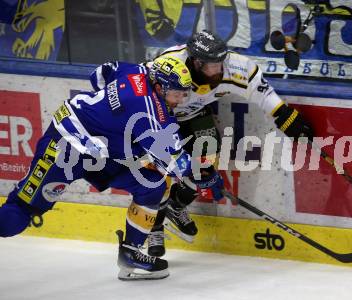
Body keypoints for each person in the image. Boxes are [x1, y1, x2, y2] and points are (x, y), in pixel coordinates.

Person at [90, 30, 314, 257]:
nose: (219, 69)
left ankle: (176, 206)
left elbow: (261, 92)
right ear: (196, 62)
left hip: (194, 115)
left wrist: (284, 116)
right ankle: (155, 227)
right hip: (158, 120)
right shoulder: (170, 63)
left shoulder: (234, 66)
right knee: (159, 176)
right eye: (212, 65)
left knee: (206, 162)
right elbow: (141, 90)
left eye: (221, 62)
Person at [0, 56, 224, 280]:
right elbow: (175, 163)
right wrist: (204, 175)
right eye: (176, 94)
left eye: (183, 94)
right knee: (22, 211)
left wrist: (110, 111)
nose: (179, 100)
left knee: (152, 185)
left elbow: (102, 71)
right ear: (159, 87)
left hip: (102, 153)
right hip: (66, 144)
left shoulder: (136, 71)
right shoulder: (151, 113)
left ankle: (130, 254)